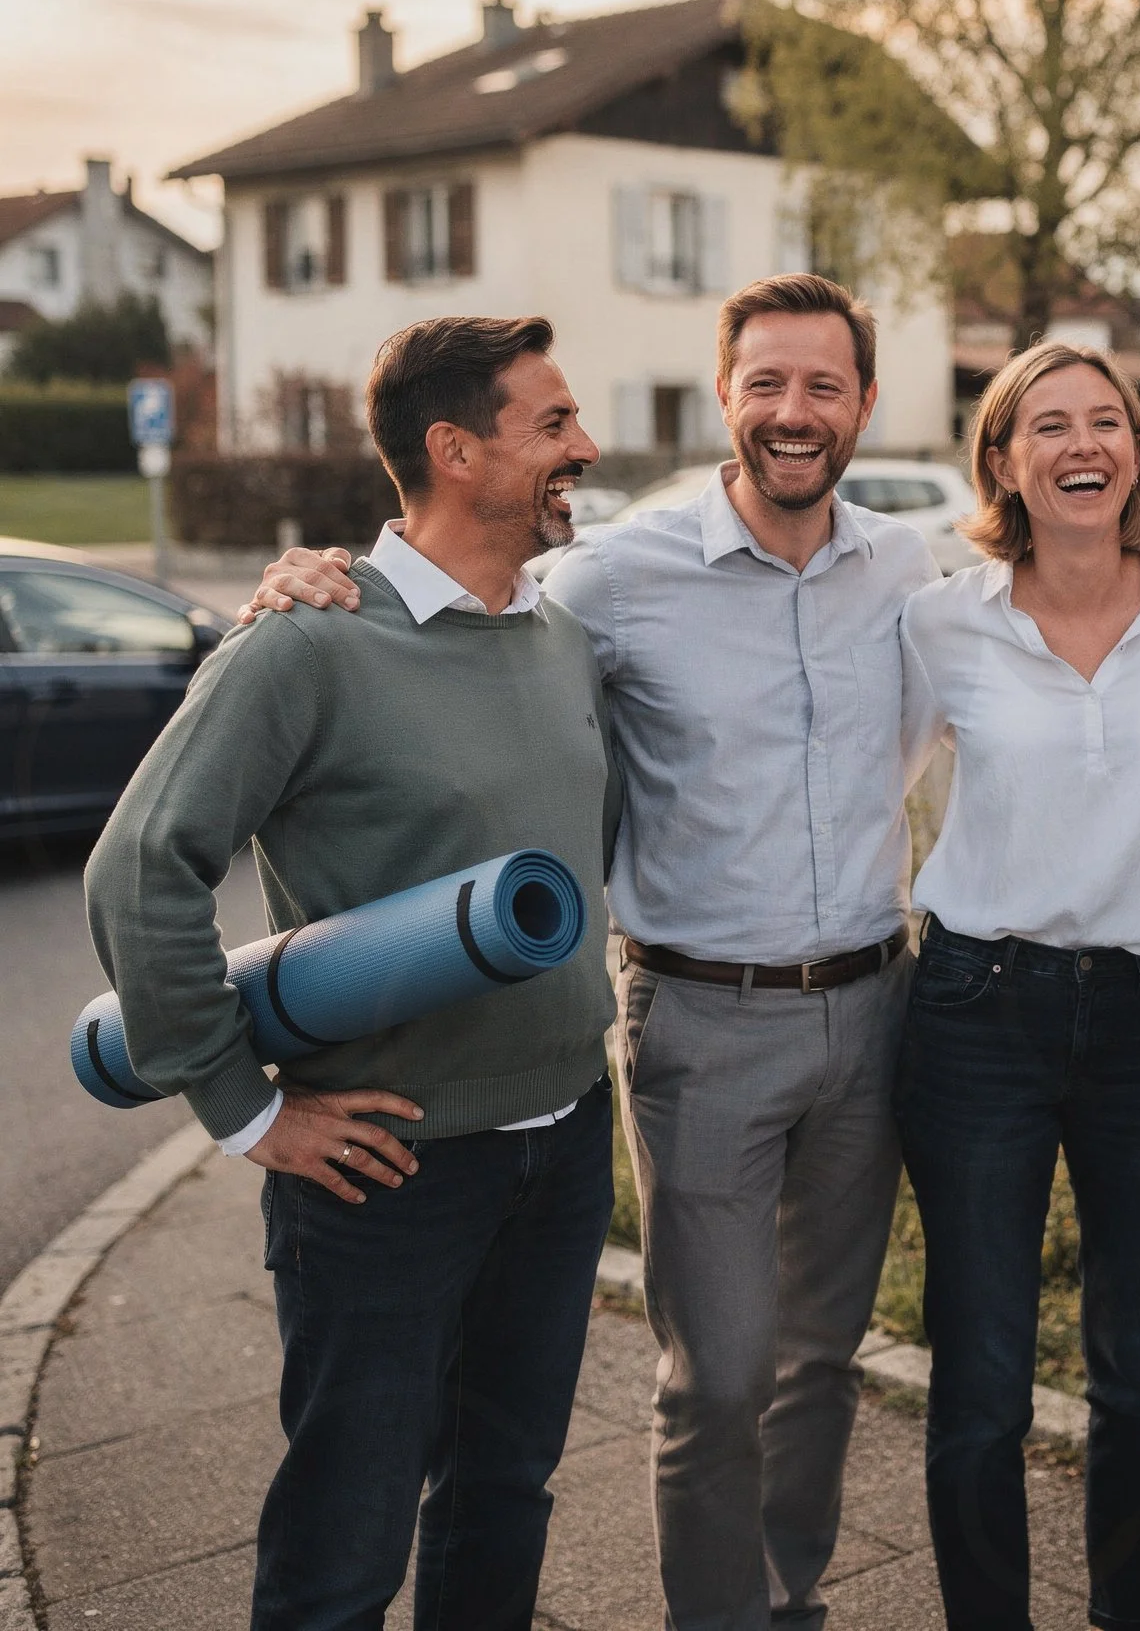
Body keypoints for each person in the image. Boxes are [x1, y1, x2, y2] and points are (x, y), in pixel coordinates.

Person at [249, 273, 937, 1631]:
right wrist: (314, 573)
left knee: (818, 1363)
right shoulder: (616, 574)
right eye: (767, 384)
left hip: (873, 1012)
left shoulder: (915, 570)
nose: (796, 412)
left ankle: (783, 1603)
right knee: (721, 1373)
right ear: (728, 395)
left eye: (826, 385)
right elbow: (448, 594)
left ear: (863, 403)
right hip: (699, 1020)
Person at [88, 315, 618, 1631]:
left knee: (506, 1492)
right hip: (389, 1171)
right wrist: (243, 1107)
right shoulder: (307, 642)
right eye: (552, 425)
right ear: (454, 450)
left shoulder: (556, 634)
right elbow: (140, 867)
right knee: (346, 1539)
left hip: (562, 1148)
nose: (585, 447)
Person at [895, 340, 1140, 1631]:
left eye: (1107, 422)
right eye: (1047, 425)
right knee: (983, 1374)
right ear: (1003, 460)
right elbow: (858, 787)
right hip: (977, 1016)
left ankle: (1128, 1619)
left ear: (1138, 453)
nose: (1082, 445)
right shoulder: (944, 617)